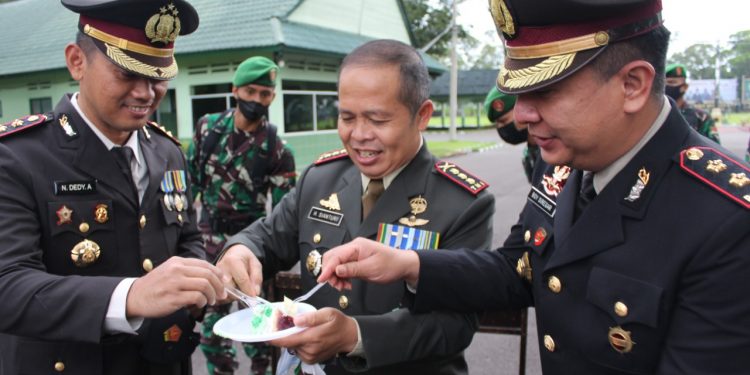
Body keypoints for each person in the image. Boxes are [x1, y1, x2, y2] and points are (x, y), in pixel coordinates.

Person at [317, 1, 750, 374]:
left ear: (631, 85)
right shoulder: (567, 162)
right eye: (517, 91)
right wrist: (408, 264)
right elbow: (517, 270)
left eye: (544, 90)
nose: (522, 115)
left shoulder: (726, 221)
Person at [217, 39, 495, 374]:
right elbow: (266, 236)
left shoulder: (463, 202)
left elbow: (454, 325)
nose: (359, 135)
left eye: (377, 120)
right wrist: (241, 249)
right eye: (347, 117)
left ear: (421, 116)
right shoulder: (321, 179)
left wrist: (356, 336)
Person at [0, 1, 228, 374]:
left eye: (157, 76)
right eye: (126, 73)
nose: (145, 93)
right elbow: (7, 287)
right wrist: (130, 296)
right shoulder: (17, 157)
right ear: (77, 61)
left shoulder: (168, 152)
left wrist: (200, 279)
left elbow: (186, 239)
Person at [187, 56, 296, 375]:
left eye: (265, 94)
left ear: (273, 97)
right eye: (250, 92)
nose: (257, 100)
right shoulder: (208, 128)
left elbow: (284, 216)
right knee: (211, 335)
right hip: (207, 249)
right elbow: (189, 185)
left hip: (250, 252)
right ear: (235, 90)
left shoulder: (276, 148)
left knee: (260, 338)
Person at [484, 86, 540, 182]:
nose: (501, 128)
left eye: (504, 121)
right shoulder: (529, 152)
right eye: (497, 124)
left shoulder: (554, 150)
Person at [665, 63, 721, 143]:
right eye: (664, 83)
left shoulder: (701, 117)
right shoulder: (654, 115)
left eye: (671, 82)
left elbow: (715, 149)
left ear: (684, 87)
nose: (666, 86)